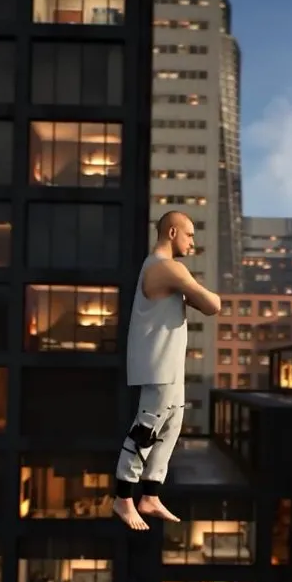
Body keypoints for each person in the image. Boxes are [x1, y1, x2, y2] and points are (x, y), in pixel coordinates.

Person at [113, 211, 221, 530]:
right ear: (172, 232)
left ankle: (150, 494)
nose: (193, 242)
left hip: (169, 364)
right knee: (147, 428)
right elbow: (212, 304)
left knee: (171, 424)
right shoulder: (165, 268)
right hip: (158, 363)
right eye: (189, 235)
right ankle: (122, 498)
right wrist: (197, 292)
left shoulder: (167, 269)